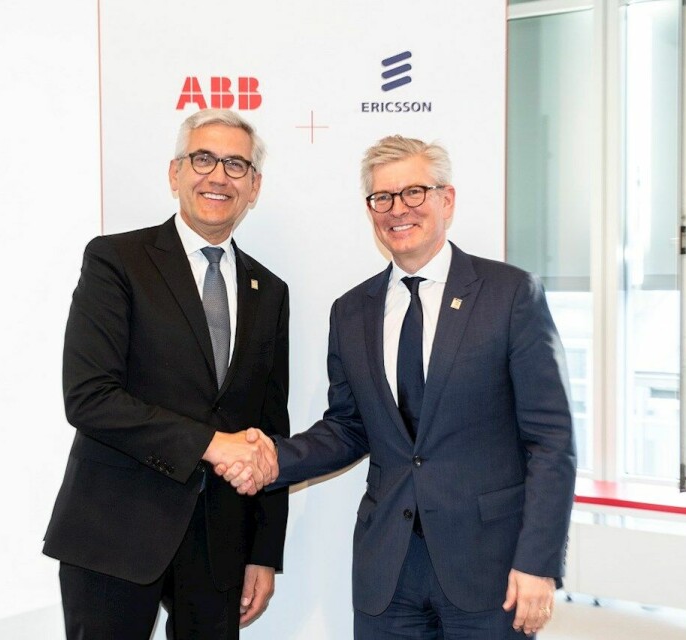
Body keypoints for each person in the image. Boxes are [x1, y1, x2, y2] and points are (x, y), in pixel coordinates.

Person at [226, 135, 576, 638]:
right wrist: (274, 460)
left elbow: (552, 441)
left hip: (491, 570)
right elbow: (348, 427)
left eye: (414, 192)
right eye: (382, 198)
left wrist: (538, 562)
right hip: (387, 573)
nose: (398, 210)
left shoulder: (510, 295)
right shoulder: (351, 312)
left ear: (446, 200)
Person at [43, 109, 286, 639]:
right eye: (203, 158)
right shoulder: (116, 260)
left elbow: (269, 427)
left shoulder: (269, 291)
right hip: (114, 532)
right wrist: (210, 444)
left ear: (254, 187)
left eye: (236, 165)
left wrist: (263, 553)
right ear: (175, 173)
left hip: (220, 548)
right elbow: (89, 396)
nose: (218, 175)